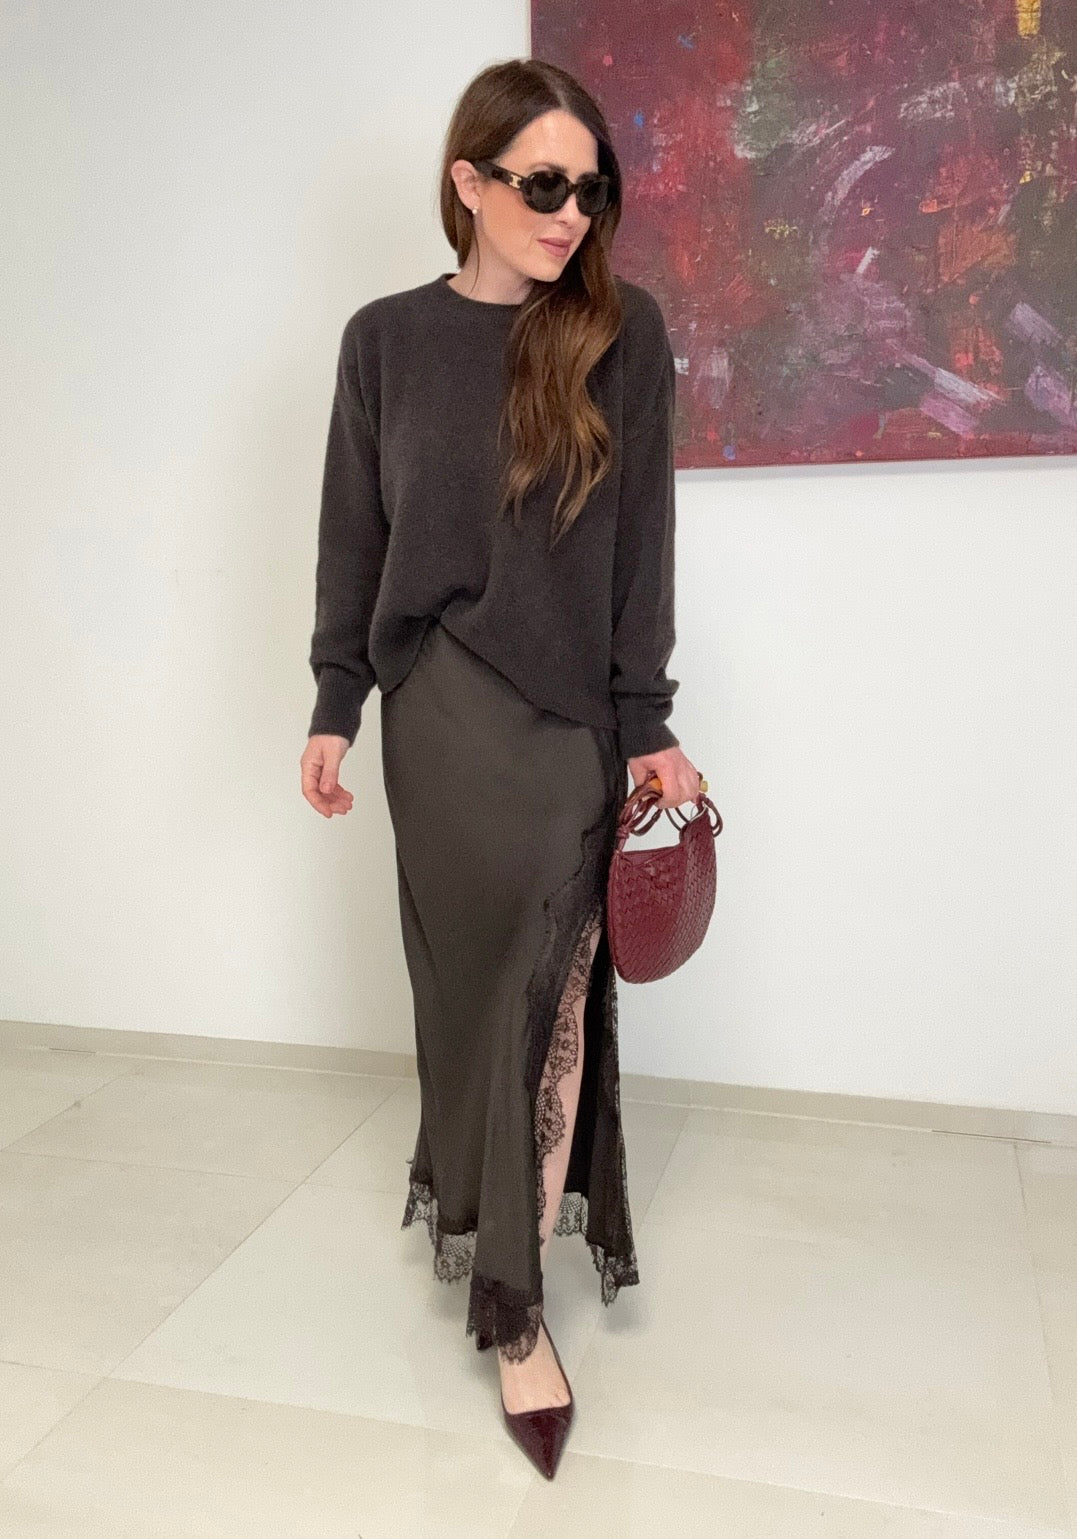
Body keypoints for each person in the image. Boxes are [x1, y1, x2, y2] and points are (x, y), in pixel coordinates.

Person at [299, 57, 701, 1480]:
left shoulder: (620, 334)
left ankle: (514, 1305)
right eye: (542, 184)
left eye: (590, 189)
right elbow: (355, 531)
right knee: (475, 993)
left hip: (571, 725)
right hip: (440, 713)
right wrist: (335, 698)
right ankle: (493, 1230)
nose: (570, 213)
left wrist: (646, 718)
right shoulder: (384, 341)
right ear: (467, 183)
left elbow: (643, 545)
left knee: (556, 988)